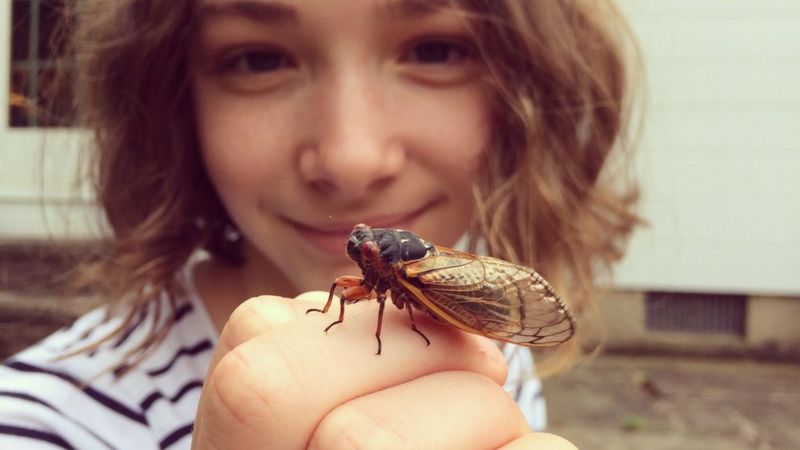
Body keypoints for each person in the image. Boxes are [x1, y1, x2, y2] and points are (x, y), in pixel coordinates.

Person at [0, 0, 640, 448]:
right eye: (257, 59)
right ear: (171, 103)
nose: (351, 160)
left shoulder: (492, 353)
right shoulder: (37, 425)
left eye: (435, 49)